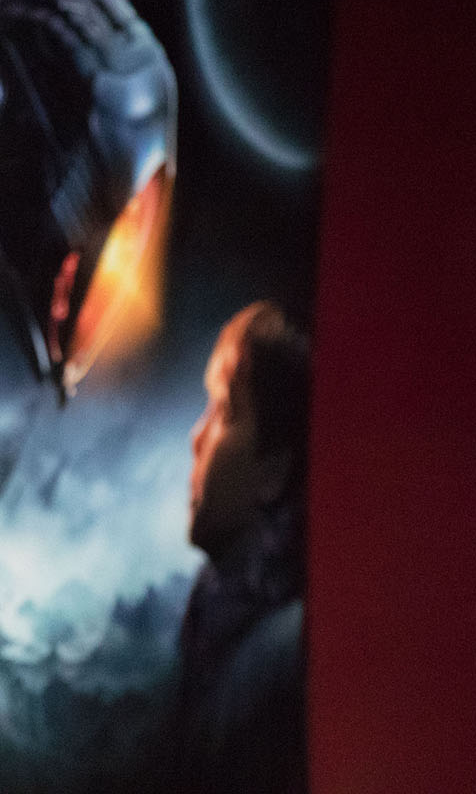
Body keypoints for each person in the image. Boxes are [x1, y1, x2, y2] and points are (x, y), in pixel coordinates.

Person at [178, 300, 310, 794]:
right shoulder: (217, 606)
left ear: (273, 473)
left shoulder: (282, 654)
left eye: (225, 411)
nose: (197, 436)